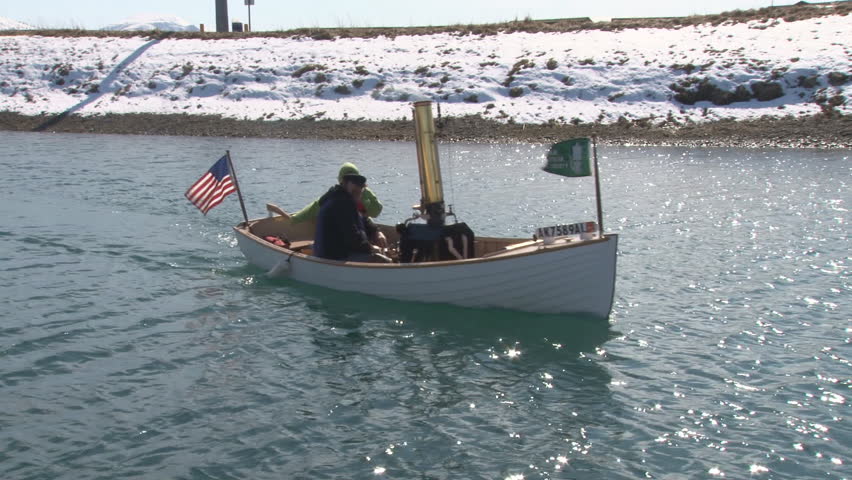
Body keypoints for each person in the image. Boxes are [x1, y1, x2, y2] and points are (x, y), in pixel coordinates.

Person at [313, 172, 389, 262]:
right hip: (333, 257)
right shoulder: (340, 203)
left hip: (339, 252)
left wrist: (376, 232)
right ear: (348, 185)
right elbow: (353, 238)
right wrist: (371, 248)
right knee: (383, 260)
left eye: (361, 188)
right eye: (358, 188)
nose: (360, 191)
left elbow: (362, 219)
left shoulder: (342, 198)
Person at [279, 163, 383, 224]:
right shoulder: (333, 196)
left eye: (353, 180)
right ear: (341, 181)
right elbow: (314, 208)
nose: (351, 184)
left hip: (361, 230)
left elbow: (375, 213)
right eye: (347, 180)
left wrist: (362, 198)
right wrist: (295, 219)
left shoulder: (365, 192)